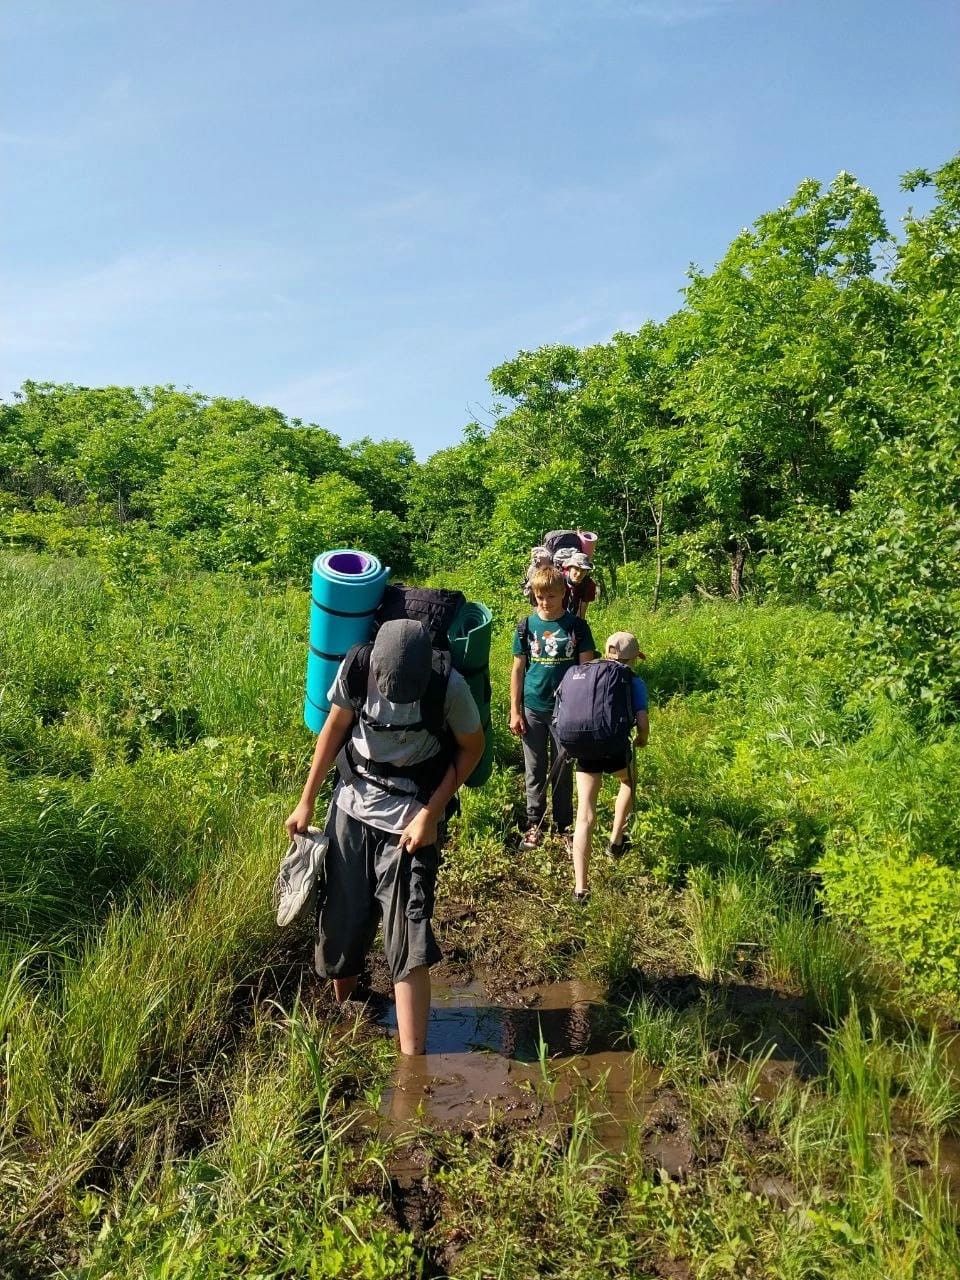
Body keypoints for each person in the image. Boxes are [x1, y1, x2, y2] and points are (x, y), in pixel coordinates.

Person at [285, 619, 484, 1056]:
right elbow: (334, 730)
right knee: (342, 916)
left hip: (411, 819)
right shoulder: (357, 667)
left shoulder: (448, 687)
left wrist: (429, 816)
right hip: (351, 806)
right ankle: (348, 1009)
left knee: (408, 934)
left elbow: (473, 748)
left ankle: (414, 1062)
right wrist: (306, 801)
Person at [510, 564, 595, 850]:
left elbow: (586, 671)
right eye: (540, 597)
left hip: (566, 711)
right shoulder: (526, 626)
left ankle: (563, 825)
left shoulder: (577, 627)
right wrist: (515, 710)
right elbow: (518, 670)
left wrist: (583, 712)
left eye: (551, 596)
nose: (545, 602)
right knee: (534, 768)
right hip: (533, 707)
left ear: (563, 595)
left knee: (563, 768)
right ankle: (534, 823)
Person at [569, 631, 649, 903]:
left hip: (583, 744)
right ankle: (616, 840)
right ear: (634, 658)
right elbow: (642, 721)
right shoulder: (632, 680)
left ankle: (581, 889)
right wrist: (641, 739)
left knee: (584, 814)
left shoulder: (586, 672)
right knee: (628, 781)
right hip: (614, 746)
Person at [563, 551, 597, 619]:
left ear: (587, 572)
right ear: (569, 568)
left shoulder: (588, 584)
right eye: (576, 569)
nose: (579, 574)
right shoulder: (558, 581)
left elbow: (582, 613)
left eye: (583, 570)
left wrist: (579, 624)